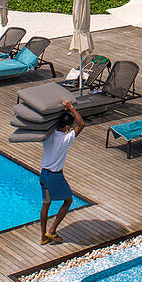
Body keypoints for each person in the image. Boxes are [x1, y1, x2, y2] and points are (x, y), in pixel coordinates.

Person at [39, 100, 84, 245]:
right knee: (68, 200)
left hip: (44, 173)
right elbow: (81, 124)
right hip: (55, 175)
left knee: (46, 204)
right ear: (68, 126)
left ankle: (43, 237)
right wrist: (71, 108)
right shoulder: (66, 138)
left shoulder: (48, 135)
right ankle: (52, 231)